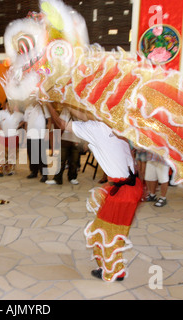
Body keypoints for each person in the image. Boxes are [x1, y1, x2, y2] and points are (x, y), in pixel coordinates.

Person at [47, 103, 142, 282]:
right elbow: (85, 116)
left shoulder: (96, 128)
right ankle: (110, 266)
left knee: (106, 232)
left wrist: (48, 105)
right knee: (110, 230)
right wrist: (66, 103)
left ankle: (115, 271)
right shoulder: (115, 123)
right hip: (131, 187)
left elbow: (61, 124)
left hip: (122, 192)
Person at [46, 108, 80, 185]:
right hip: (65, 138)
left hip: (77, 139)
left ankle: (72, 177)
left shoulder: (81, 111)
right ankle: (57, 179)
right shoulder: (65, 110)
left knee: (74, 161)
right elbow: (60, 124)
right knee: (61, 160)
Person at [0, 99, 24, 177]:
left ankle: (9, 169)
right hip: (3, 136)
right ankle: (0, 170)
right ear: (5, 104)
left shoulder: (18, 114)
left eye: (11, 104)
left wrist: (19, 125)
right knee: (1, 153)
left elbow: (24, 120)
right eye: (8, 104)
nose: (9, 106)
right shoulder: (1, 113)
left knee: (12, 153)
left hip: (14, 136)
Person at [24, 102, 51, 182]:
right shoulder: (27, 107)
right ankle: (34, 172)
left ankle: (44, 174)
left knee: (41, 156)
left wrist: (47, 132)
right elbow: (26, 122)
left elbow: (49, 120)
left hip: (40, 135)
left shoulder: (43, 106)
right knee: (31, 155)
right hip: (30, 135)